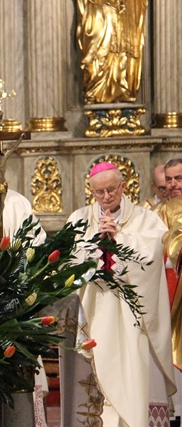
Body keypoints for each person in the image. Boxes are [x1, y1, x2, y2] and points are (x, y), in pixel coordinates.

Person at [66, 162, 175, 427]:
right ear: (91, 191)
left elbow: (151, 264)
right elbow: (69, 266)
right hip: (93, 315)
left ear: (123, 186)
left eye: (112, 189)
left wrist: (119, 240)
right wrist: (95, 244)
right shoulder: (79, 219)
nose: (106, 196)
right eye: (99, 192)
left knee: (133, 376)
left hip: (133, 319)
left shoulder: (146, 219)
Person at [77, 0, 147, 104]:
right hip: (99, 12)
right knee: (97, 51)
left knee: (118, 52)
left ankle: (119, 89)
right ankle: (94, 90)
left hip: (117, 13)